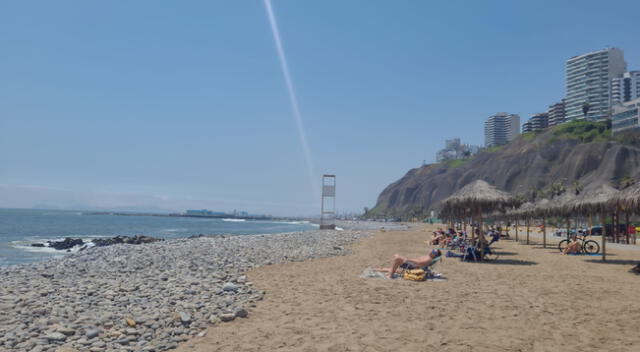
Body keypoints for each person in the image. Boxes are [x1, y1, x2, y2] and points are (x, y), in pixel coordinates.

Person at [374, 249, 442, 279]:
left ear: (434, 255)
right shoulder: (428, 256)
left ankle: (390, 275)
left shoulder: (428, 259)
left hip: (414, 267)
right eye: (432, 251)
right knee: (396, 259)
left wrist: (407, 259)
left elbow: (419, 263)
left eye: (433, 252)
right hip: (412, 265)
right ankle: (381, 270)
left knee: (397, 258)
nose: (431, 252)